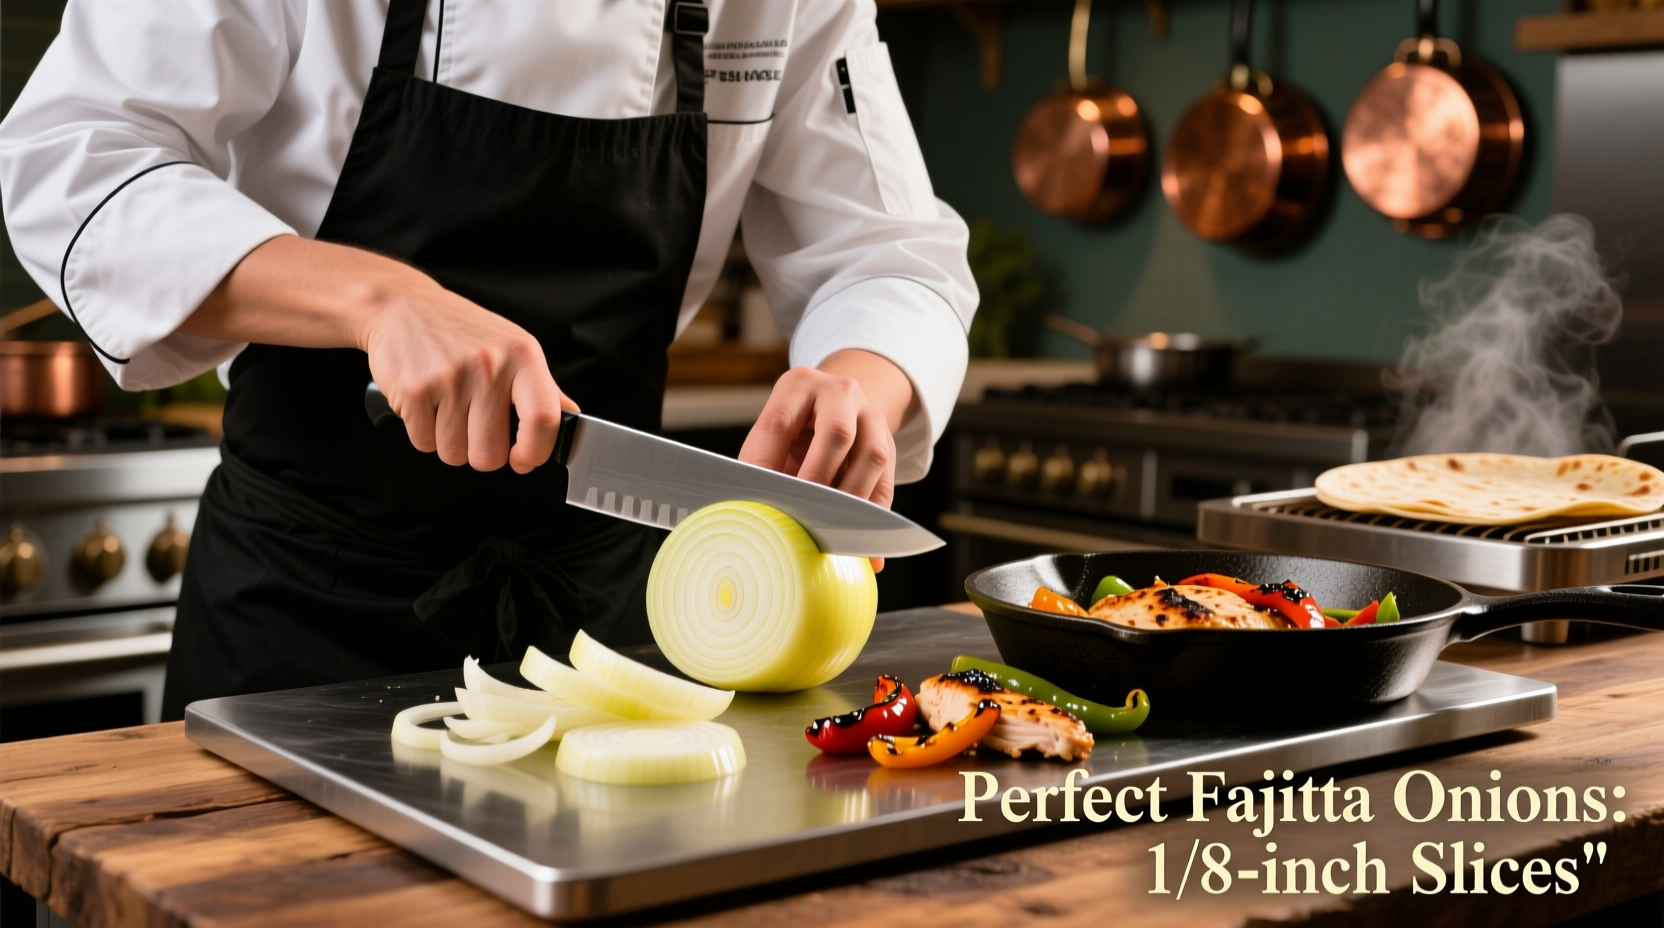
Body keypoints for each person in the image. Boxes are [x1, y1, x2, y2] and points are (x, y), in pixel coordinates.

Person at [0, 1, 976, 717]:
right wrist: (377, 299)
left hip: (608, 632)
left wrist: (863, 375)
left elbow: (885, 249)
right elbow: (73, 158)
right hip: (303, 614)